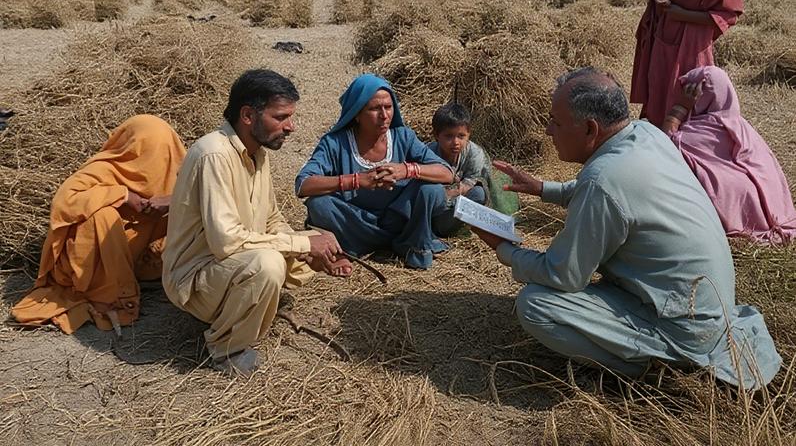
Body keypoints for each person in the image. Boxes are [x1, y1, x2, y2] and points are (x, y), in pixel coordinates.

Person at [474, 67, 780, 389]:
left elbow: (563, 275)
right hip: (706, 310)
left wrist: (504, 248)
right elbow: (612, 194)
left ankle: (660, 370)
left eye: (556, 122)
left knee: (535, 305)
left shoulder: (603, 182)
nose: (549, 131)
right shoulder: (646, 136)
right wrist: (543, 189)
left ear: (590, 130)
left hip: (682, 329)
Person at [162, 69, 351, 376]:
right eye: (281, 117)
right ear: (248, 115)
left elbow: (272, 219)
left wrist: (313, 251)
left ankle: (247, 302)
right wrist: (302, 244)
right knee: (268, 265)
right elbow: (226, 241)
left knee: (303, 245)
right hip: (195, 278)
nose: (290, 127)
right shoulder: (214, 155)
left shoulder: (257, 154)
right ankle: (226, 348)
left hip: (227, 266)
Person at [12, 115, 186, 333]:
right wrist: (122, 195)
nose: (154, 161)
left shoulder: (176, 171)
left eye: (162, 152)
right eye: (146, 151)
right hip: (85, 266)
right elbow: (64, 202)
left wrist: (171, 202)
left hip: (136, 258)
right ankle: (107, 294)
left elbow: (210, 198)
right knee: (102, 217)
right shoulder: (106, 168)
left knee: (187, 209)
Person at [295, 74, 455, 269]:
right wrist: (357, 180)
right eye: (374, 109)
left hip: (400, 219)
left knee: (432, 190)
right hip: (355, 222)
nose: (384, 115)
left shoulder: (403, 137)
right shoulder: (335, 143)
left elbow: (447, 173)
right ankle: (350, 248)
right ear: (356, 113)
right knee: (319, 205)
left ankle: (411, 243)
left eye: (388, 107)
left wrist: (407, 170)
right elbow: (303, 185)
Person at [662, 66, 796, 243]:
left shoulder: (697, 132)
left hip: (739, 212)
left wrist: (678, 109)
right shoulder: (741, 125)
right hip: (777, 210)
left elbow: (663, 145)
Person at [630, 0, 743, 127]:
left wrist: (683, 14)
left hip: (694, 44)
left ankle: (680, 140)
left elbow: (727, 16)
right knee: (658, 92)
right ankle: (659, 138)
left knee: (689, 94)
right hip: (665, 33)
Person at [426, 102, 492, 237]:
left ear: (469, 135)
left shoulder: (475, 153)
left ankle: (448, 227)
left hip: (457, 205)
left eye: (461, 136)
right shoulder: (427, 153)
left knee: (479, 193)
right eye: (449, 136)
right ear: (437, 135)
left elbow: (471, 182)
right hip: (434, 209)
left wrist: (450, 193)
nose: (456, 142)